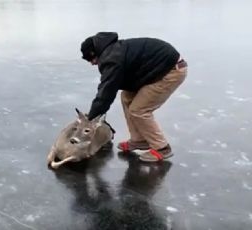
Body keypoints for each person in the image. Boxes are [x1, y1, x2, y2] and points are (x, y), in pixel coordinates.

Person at [80, 32, 187, 162]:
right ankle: (139, 140)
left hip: (170, 71)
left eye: (90, 59)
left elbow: (106, 91)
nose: (92, 63)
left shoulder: (111, 59)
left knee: (139, 110)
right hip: (154, 70)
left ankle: (162, 148)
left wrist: (92, 117)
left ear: (94, 53)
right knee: (127, 97)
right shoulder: (111, 50)